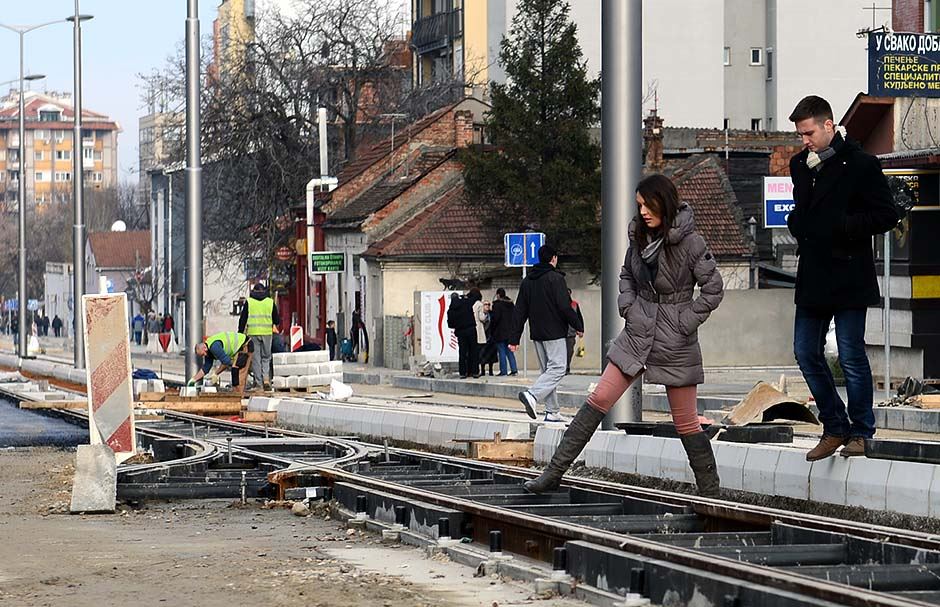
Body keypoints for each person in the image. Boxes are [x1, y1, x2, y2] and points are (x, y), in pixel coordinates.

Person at [524, 174, 724, 496]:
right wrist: (628, 305)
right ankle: (553, 474)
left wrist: (684, 320)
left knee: (686, 421)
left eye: (648, 204)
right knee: (599, 398)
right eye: (639, 205)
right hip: (638, 330)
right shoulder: (639, 237)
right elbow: (627, 274)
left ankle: (711, 494)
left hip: (675, 338)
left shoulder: (691, 243)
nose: (643, 211)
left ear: (664, 202)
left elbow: (713, 289)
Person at [786, 95, 899, 461]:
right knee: (805, 351)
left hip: (849, 270)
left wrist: (845, 226)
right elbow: (801, 209)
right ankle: (834, 424)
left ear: (828, 126)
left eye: (808, 133)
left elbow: (886, 215)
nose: (804, 140)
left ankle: (861, 431)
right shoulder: (800, 165)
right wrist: (797, 224)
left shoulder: (861, 164)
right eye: (801, 134)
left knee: (851, 353)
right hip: (814, 274)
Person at [510, 244, 584, 423]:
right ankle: (533, 395)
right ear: (554, 258)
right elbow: (564, 306)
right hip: (554, 332)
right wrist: (578, 325)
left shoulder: (527, 281)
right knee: (558, 368)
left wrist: (514, 338)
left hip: (537, 333)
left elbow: (520, 310)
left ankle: (552, 411)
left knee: (547, 372)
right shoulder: (555, 278)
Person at [238, 282, 279, 391]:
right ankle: (266, 378)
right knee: (266, 357)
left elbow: (243, 319)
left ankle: (259, 384)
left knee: (256, 359)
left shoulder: (249, 302)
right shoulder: (270, 302)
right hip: (267, 333)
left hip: (253, 333)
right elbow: (277, 320)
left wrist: (240, 333)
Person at [189, 331, 254, 394]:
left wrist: (216, 373)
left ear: (204, 348)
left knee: (238, 371)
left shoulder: (214, 347)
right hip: (239, 348)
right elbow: (206, 368)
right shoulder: (208, 350)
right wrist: (193, 379)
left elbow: (226, 362)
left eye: (203, 354)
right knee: (235, 371)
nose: (205, 356)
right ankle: (236, 395)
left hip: (244, 344)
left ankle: (239, 397)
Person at [446, 291, 476, 379]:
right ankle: (474, 372)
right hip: (471, 329)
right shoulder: (466, 303)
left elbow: (450, 325)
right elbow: (476, 297)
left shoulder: (450, 310)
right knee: (473, 351)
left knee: (462, 353)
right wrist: (466, 296)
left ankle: (463, 372)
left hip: (460, 332)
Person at [489, 289, 518, 376]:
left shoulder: (497, 305)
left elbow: (495, 319)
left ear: (498, 295)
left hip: (500, 332)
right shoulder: (511, 304)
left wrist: (492, 329)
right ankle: (514, 370)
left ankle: (503, 371)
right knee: (510, 351)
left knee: (501, 351)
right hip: (510, 331)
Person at [565, 289, 585, 374]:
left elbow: (579, 317)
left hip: (571, 332)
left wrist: (580, 330)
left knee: (569, 351)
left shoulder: (574, 304)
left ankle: (567, 366)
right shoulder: (557, 303)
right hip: (560, 333)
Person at [468, 288, 487, 378]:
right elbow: (482, 318)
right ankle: (477, 370)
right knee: (478, 352)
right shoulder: (479, 304)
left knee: (470, 352)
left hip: (470, 327)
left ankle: (470, 370)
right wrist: (486, 314)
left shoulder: (468, 303)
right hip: (478, 328)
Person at [478, 299, 498, 376]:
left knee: (491, 355)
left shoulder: (492, 314)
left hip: (491, 336)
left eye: (488, 304)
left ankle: (490, 370)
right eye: (485, 304)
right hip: (483, 336)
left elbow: (495, 323)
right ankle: (482, 370)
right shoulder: (481, 314)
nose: (487, 306)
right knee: (482, 354)